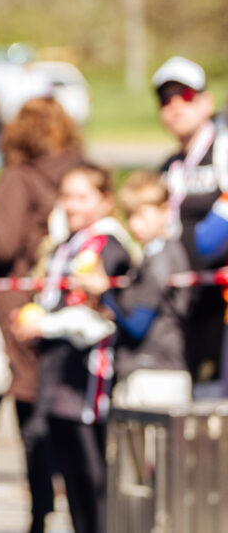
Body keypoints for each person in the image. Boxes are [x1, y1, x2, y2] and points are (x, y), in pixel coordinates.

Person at [0, 97, 81, 533]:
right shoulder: (73, 176)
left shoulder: (19, 177)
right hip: (44, 306)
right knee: (32, 417)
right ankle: (40, 514)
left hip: (4, 313)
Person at [14, 163, 133, 533]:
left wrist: (44, 324)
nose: (71, 205)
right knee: (69, 471)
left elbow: (96, 316)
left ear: (105, 200)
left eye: (82, 197)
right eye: (66, 196)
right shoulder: (68, 242)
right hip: (57, 368)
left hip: (88, 371)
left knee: (90, 471)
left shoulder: (106, 244)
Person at [74, 170, 191, 408]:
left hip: (156, 375)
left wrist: (104, 292)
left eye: (142, 214)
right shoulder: (150, 256)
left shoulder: (161, 259)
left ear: (165, 211)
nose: (135, 224)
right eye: (130, 216)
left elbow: (137, 326)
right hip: (145, 372)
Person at [153, 56, 228, 394]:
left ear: (206, 102)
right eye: (165, 99)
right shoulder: (169, 167)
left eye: (184, 95)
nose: (175, 106)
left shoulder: (222, 152)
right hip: (182, 307)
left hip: (219, 306)